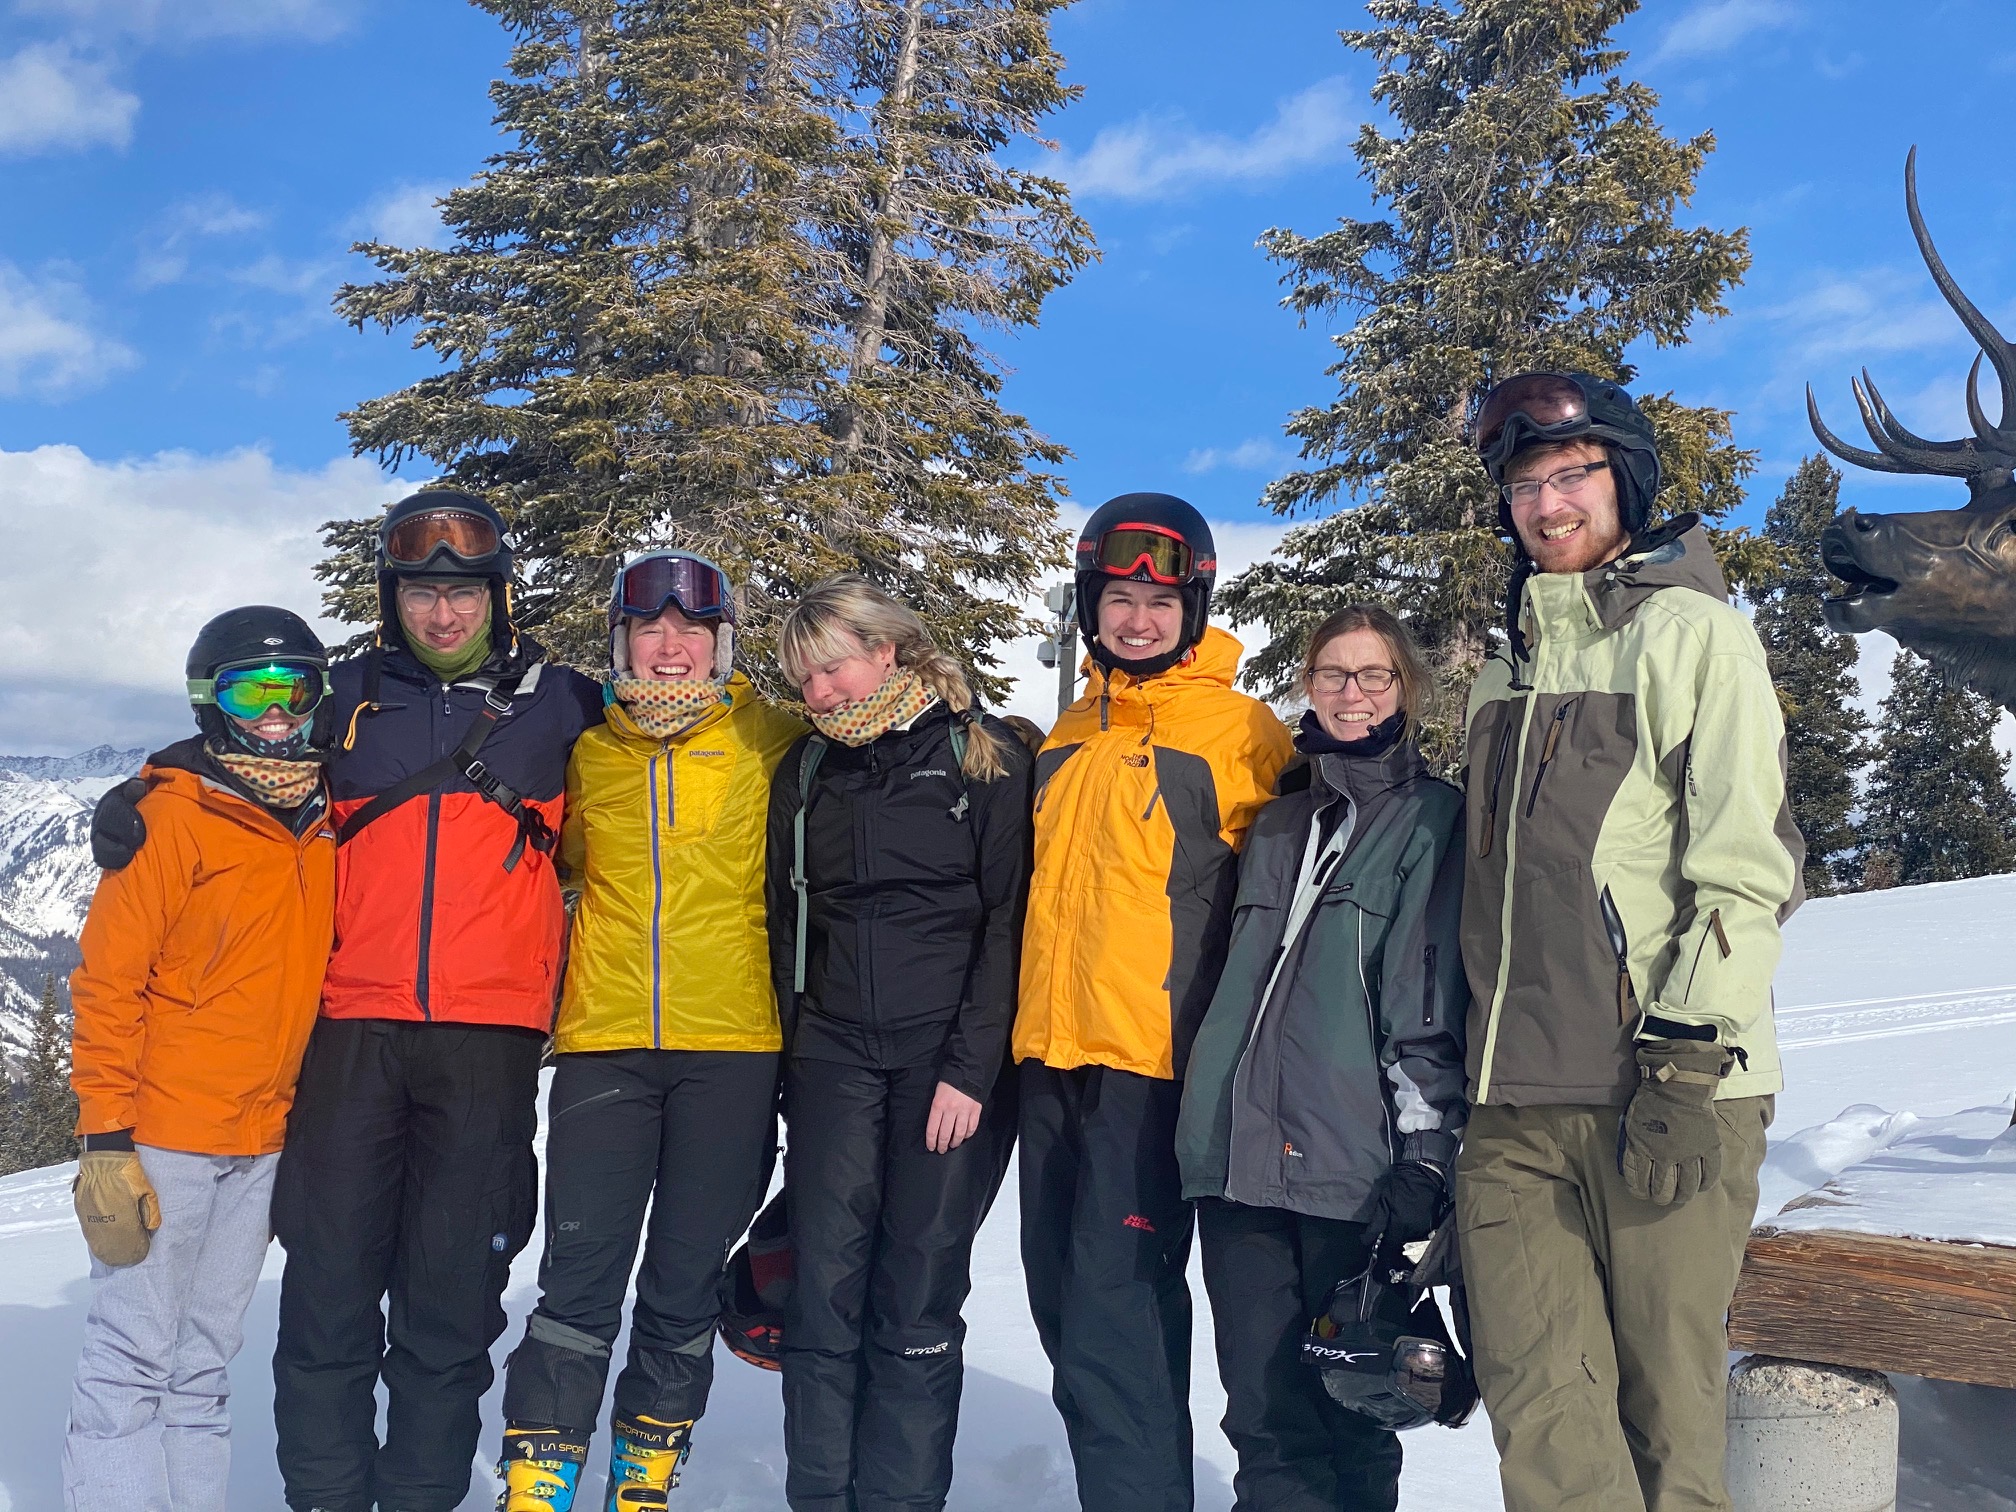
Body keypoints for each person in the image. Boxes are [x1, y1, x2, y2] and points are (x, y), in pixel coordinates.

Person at [93, 489, 604, 1512]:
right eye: (421, 593)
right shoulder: (348, 694)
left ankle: (419, 1494)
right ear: (391, 598)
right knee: (327, 1294)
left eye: (464, 593)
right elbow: (249, 741)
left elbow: (662, 768)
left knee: (450, 1301)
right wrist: (145, 786)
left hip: (489, 1040)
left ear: (499, 597)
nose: (443, 614)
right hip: (350, 1034)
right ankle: (326, 1497)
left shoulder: (564, 703)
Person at [1457, 372, 1802, 1512]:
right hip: (1514, 1107)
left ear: (1627, 480)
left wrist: (1687, 1059)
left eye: (1573, 475)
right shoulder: (1504, 670)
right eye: (1525, 486)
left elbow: (1748, 868)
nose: (1548, 505)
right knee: (1545, 1423)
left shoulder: (1698, 637)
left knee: (1668, 1427)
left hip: (1663, 1090)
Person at [494, 551, 806, 1510]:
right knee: (579, 1280)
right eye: (649, 629)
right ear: (621, 641)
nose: (671, 647)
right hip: (607, 1046)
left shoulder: (774, 737)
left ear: (722, 643)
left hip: (735, 1051)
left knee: (682, 1284)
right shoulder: (587, 750)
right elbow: (547, 860)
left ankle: (643, 1484)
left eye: (692, 630)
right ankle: (538, 1483)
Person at [1013, 493, 1296, 1512]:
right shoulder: (1066, 732)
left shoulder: (1242, 732)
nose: (1138, 620)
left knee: (1116, 1314)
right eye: (1119, 599)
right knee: (1059, 1304)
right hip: (1051, 1061)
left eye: (1160, 602)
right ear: (1091, 605)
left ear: (1195, 609)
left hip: (1153, 1067)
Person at [1176, 604, 1469, 1512]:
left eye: (1374, 675)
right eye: (1333, 674)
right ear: (1308, 684)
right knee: (1262, 1412)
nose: (1351, 693)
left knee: (1355, 1405)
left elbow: (1425, 998)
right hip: (1238, 1165)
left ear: (1405, 688)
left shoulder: (1431, 819)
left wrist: (1426, 1153)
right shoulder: (1277, 824)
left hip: (1350, 1168)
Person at [764, 574, 1034, 1512]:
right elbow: (786, 919)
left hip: (943, 1063)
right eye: (804, 680)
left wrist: (970, 1071)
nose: (820, 693)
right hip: (833, 1058)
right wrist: (798, 1057)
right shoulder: (807, 771)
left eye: (832, 668)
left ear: (887, 651)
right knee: (823, 1288)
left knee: (916, 1292)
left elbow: (1008, 922)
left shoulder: (982, 755)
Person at [63, 607, 339, 1512]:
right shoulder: (172, 818)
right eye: (250, 691)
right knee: (131, 1360)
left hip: (261, 1139)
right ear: (209, 700)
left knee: (205, 1364)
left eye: (294, 688)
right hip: (166, 1134)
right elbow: (108, 984)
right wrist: (107, 1137)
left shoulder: (321, 815)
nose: (275, 711)